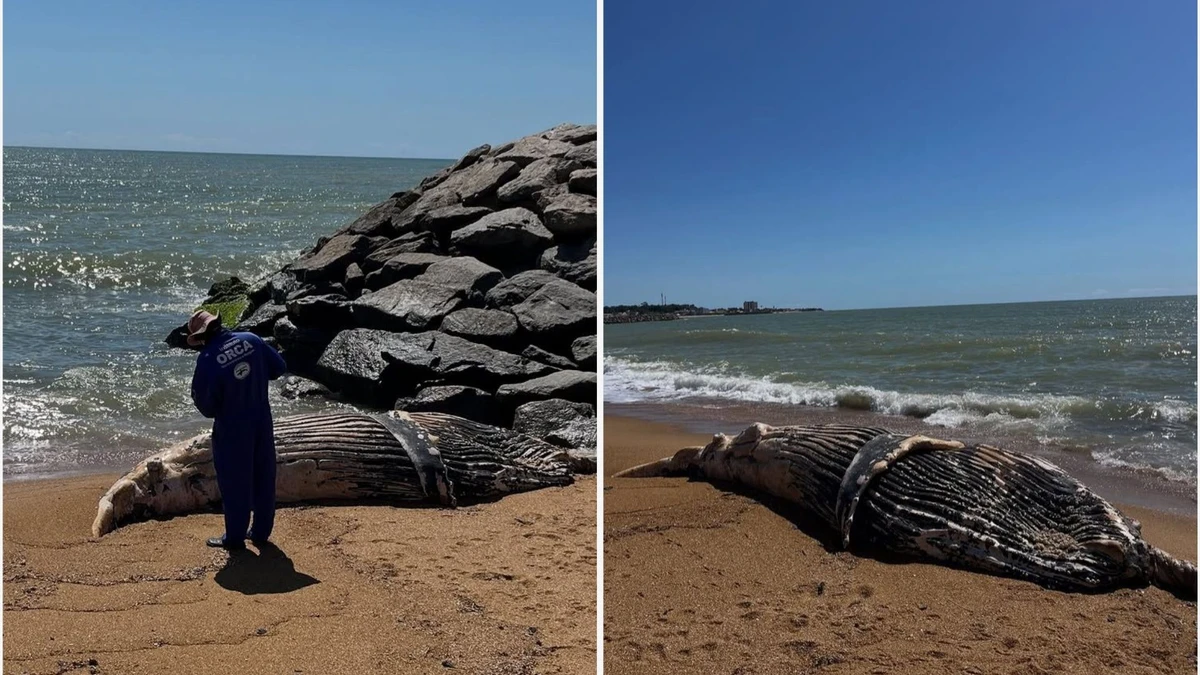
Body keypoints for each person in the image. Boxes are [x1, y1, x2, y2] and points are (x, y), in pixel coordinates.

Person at [187, 309, 287, 550]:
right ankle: (261, 532)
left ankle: (235, 537)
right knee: (264, 476)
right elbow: (279, 367)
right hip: (262, 420)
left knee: (235, 482)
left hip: (232, 426)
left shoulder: (208, 358)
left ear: (200, 337)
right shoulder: (252, 340)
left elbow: (206, 406)